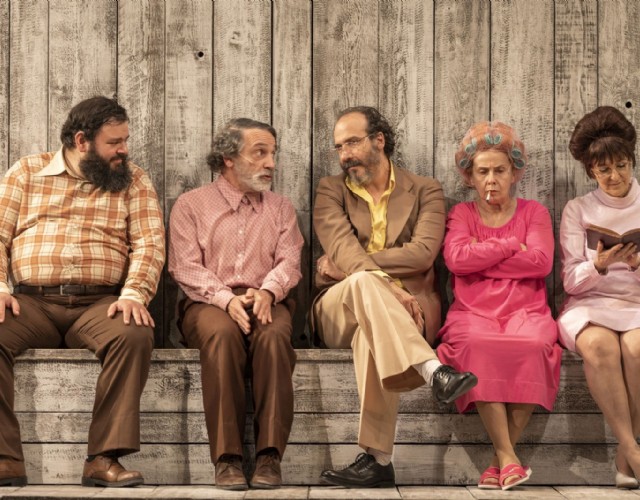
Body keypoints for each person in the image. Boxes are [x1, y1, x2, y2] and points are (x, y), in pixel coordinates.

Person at [0, 96, 165, 487]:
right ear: (81, 141)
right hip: (31, 301)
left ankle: (103, 459)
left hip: (101, 303)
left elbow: (149, 243)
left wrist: (134, 294)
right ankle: (5, 459)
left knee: (134, 333)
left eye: (125, 140)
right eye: (114, 142)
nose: (123, 150)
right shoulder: (26, 172)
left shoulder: (134, 180)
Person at [312, 106, 477, 488]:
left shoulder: (425, 189)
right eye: (339, 147)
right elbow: (341, 246)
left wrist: (347, 265)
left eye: (352, 142)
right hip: (338, 309)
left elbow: (422, 253)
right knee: (362, 284)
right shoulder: (330, 190)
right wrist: (382, 281)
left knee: (369, 329)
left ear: (379, 140)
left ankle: (378, 461)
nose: (344, 154)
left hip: (409, 310)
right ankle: (434, 371)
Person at [168, 118, 303, 491]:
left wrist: (268, 292)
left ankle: (269, 457)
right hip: (207, 302)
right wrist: (226, 299)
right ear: (228, 157)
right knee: (223, 336)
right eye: (260, 153)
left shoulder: (280, 208)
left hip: (266, 300)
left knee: (274, 337)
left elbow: (290, 261)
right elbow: (184, 266)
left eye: (273, 154)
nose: (271, 163)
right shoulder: (191, 205)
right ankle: (227, 459)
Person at [436, 121, 562, 490]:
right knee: (476, 345)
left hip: (527, 311)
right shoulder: (462, 214)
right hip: (473, 313)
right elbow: (457, 259)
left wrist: (483, 255)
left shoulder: (534, 213)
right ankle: (509, 458)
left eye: (499, 170)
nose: (491, 179)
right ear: (470, 177)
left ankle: (499, 460)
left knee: (535, 344)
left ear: (514, 173)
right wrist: (510, 246)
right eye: (483, 171)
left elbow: (540, 262)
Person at [558, 106, 640, 489]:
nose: (614, 176)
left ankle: (626, 459)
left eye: (621, 165)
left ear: (632, 161)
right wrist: (600, 264)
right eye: (603, 170)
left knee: (638, 349)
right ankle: (633, 449)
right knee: (602, 348)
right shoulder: (578, 210)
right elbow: (571, 283)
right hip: (589, 306)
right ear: (590, 171)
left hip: (637, 306)